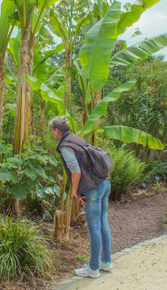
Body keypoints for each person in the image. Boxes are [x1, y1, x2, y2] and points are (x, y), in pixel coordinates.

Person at [49, 116, 113, 279]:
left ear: (57, 131)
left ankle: (93, 268)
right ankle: (106, 261)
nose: (52, 134)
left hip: (93, 189)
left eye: (52, 131)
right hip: (104, 183)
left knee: (94, 227)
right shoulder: (77, 138)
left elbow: (76, 171)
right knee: (102, 222)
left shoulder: (65, 146)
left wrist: (75, 192)